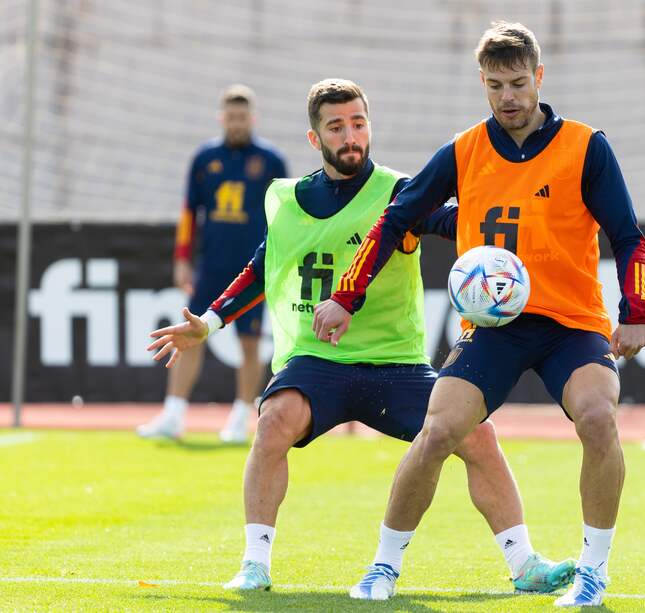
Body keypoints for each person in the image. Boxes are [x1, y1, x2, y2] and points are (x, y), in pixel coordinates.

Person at [146, 78, 575, 596]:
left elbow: (453, 221)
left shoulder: (399, 192)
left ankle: (524, 563)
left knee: (476, 433)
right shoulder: (287, 198)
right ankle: (254, 564)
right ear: (315, 139)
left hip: (396, 363)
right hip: (316, 361)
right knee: (273, 420)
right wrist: (210, 322)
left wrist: (517, 227)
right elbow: (265, 267)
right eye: (336, 127)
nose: (351, 136)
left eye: (358, 123)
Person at [313, 23, 645, 607]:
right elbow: (397, 218)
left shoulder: (585, 145)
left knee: (598, 418)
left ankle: (593, 573)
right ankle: (382, 568)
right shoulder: (464, 150)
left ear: (539, 77)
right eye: (496, 85)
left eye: (519, 83)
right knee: (438, 431)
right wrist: (348, 294)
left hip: (572, 323)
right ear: (483, 84)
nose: (509, 97)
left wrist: (636, 309)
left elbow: (628, 235)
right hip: (493, 328)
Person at [138, 84, 288, 443]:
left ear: (252, 118)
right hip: (213, 264)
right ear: (222, 118)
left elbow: (285, 214)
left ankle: (240, 416)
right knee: (191, 333)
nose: (236, 123)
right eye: (230, 117)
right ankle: (174, 413)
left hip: (254, 266)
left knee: (250, 342)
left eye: (242, 117)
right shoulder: (205, 158)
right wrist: (183, 259)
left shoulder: (271, 161)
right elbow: (190, 211)